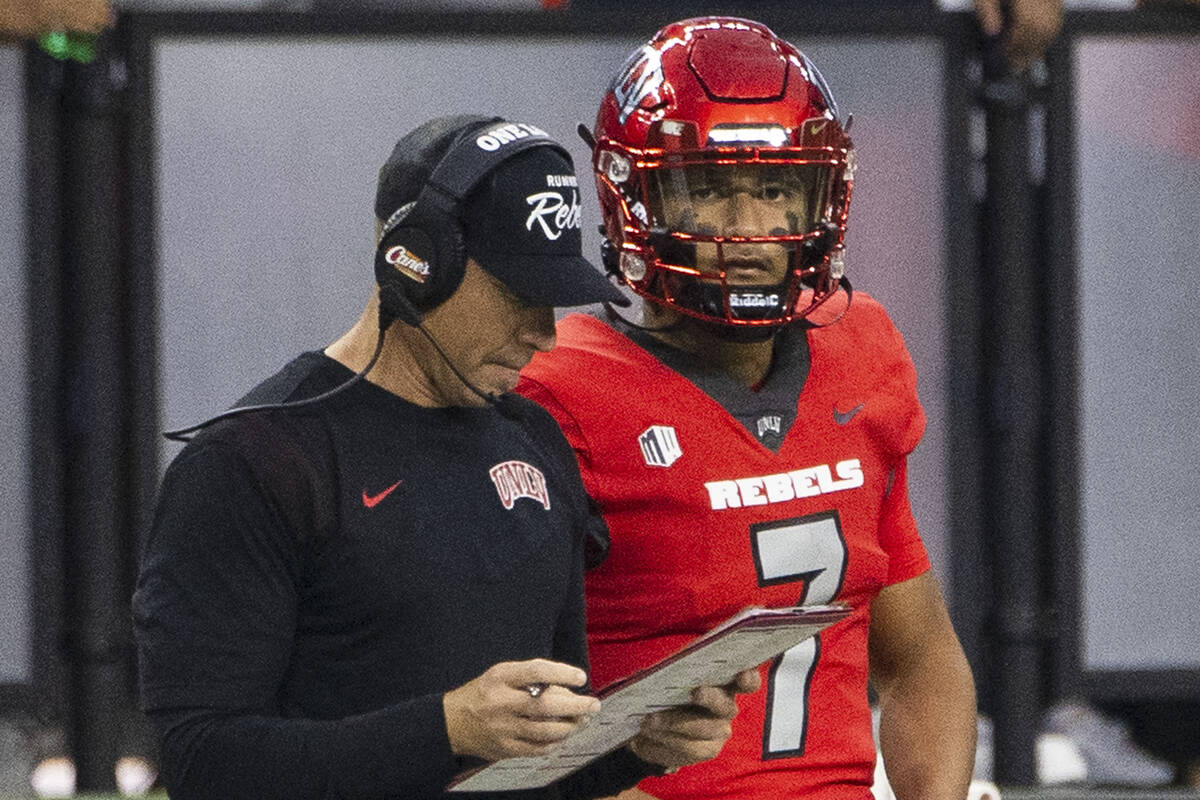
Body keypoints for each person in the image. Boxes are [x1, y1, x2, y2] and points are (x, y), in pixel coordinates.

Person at [132, 114, 759, 800]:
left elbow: (539, 768)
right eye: (520, 297)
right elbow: (203, 764)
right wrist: (447, 729)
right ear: (419, 263)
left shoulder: (537, 443)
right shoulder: (253, 463)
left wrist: (634, 744)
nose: (544, 336)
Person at [515, 18, 977, 800]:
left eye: (773, 189)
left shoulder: (858, 350)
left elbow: (920, 654)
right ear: (633, 195)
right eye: (709, 190)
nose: (750, 233)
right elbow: (516, 723)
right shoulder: (560, 390)